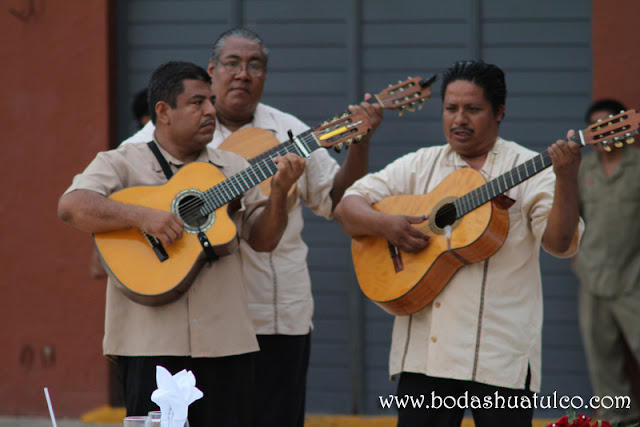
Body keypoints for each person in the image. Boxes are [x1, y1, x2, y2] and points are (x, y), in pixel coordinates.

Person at [122, 28, 383, 426]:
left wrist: (360, 143)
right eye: (232, 64)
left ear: (265, 76)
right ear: (211, 72)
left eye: (255, 65)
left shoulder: (291, 133)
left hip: (277, 314)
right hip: (200, 319)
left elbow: (335, 201)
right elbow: (124, 205)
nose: (243, 73)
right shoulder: (162, 137)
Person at [334, 60, 584, 427]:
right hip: (424, 356)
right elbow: (347, 207)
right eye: (451, 109)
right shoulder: (420, 163)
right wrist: (386, 225)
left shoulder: (530, 167)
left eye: (473, 109)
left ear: (499, 112)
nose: (459, 119)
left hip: (501, 356)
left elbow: (561, 244)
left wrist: (566, 179)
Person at [57, 61, 305, 427]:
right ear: (163, 111)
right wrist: (142, 217)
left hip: (226, 344)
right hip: (148, 345)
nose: (211, 111)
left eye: (212, 102)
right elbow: (71, 206)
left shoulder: (235, 168)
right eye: (198, 102)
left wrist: (280, 193)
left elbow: (264, 241)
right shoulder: (121, 162)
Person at [574, 99, 640, 425]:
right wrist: (577, 259)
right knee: (603, 358)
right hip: (592, 279)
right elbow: (568, 218)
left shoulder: (638, 165)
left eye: (609, 124)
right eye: (596, 127)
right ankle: (620, 419)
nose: (603, 132)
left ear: (623, 126)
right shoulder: (584, 169)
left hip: (634, 278)